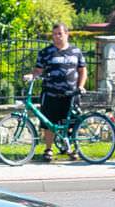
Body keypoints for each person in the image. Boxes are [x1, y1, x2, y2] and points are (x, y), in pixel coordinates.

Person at [24, 23, 87, 163]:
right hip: (51, 93)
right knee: (48, 123)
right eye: (54, 34)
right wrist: (31, 76)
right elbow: (38, 71)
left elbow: (82, 71)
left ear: (67, 34)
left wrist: (81, 86)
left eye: (60, 33)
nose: (57, 36)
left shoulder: (76, 51)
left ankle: (70, 147)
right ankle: (48, 149)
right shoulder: (45, 52)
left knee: (71, 122)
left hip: (71, 94)